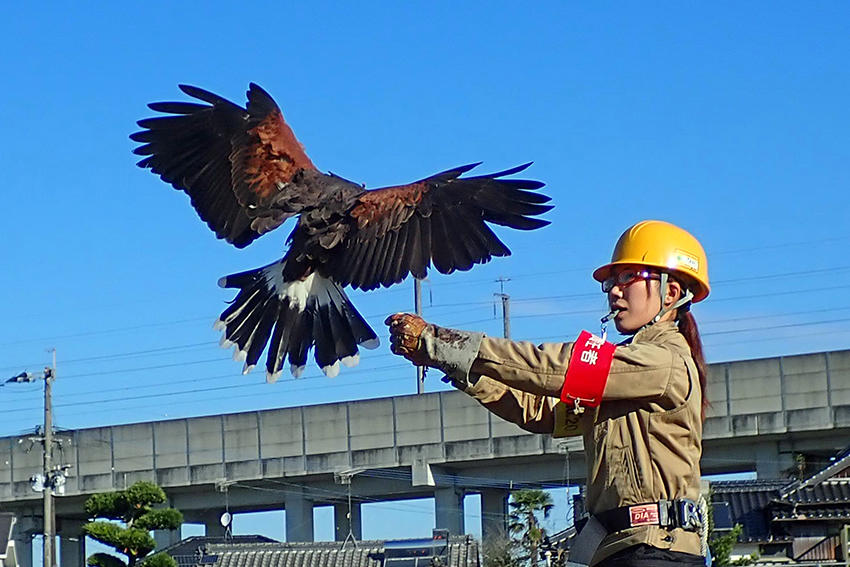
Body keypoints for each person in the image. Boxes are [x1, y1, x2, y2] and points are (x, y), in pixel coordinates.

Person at [386, 220, 711, 566]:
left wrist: (441, 342)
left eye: (627, 277)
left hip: (656, 551)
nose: (614, 291)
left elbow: (553, 369)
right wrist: (456, 366)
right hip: (621, 548)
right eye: (611, 281)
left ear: (671, 293)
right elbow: (541, 411)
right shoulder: (625, 374)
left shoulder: (662, 363)